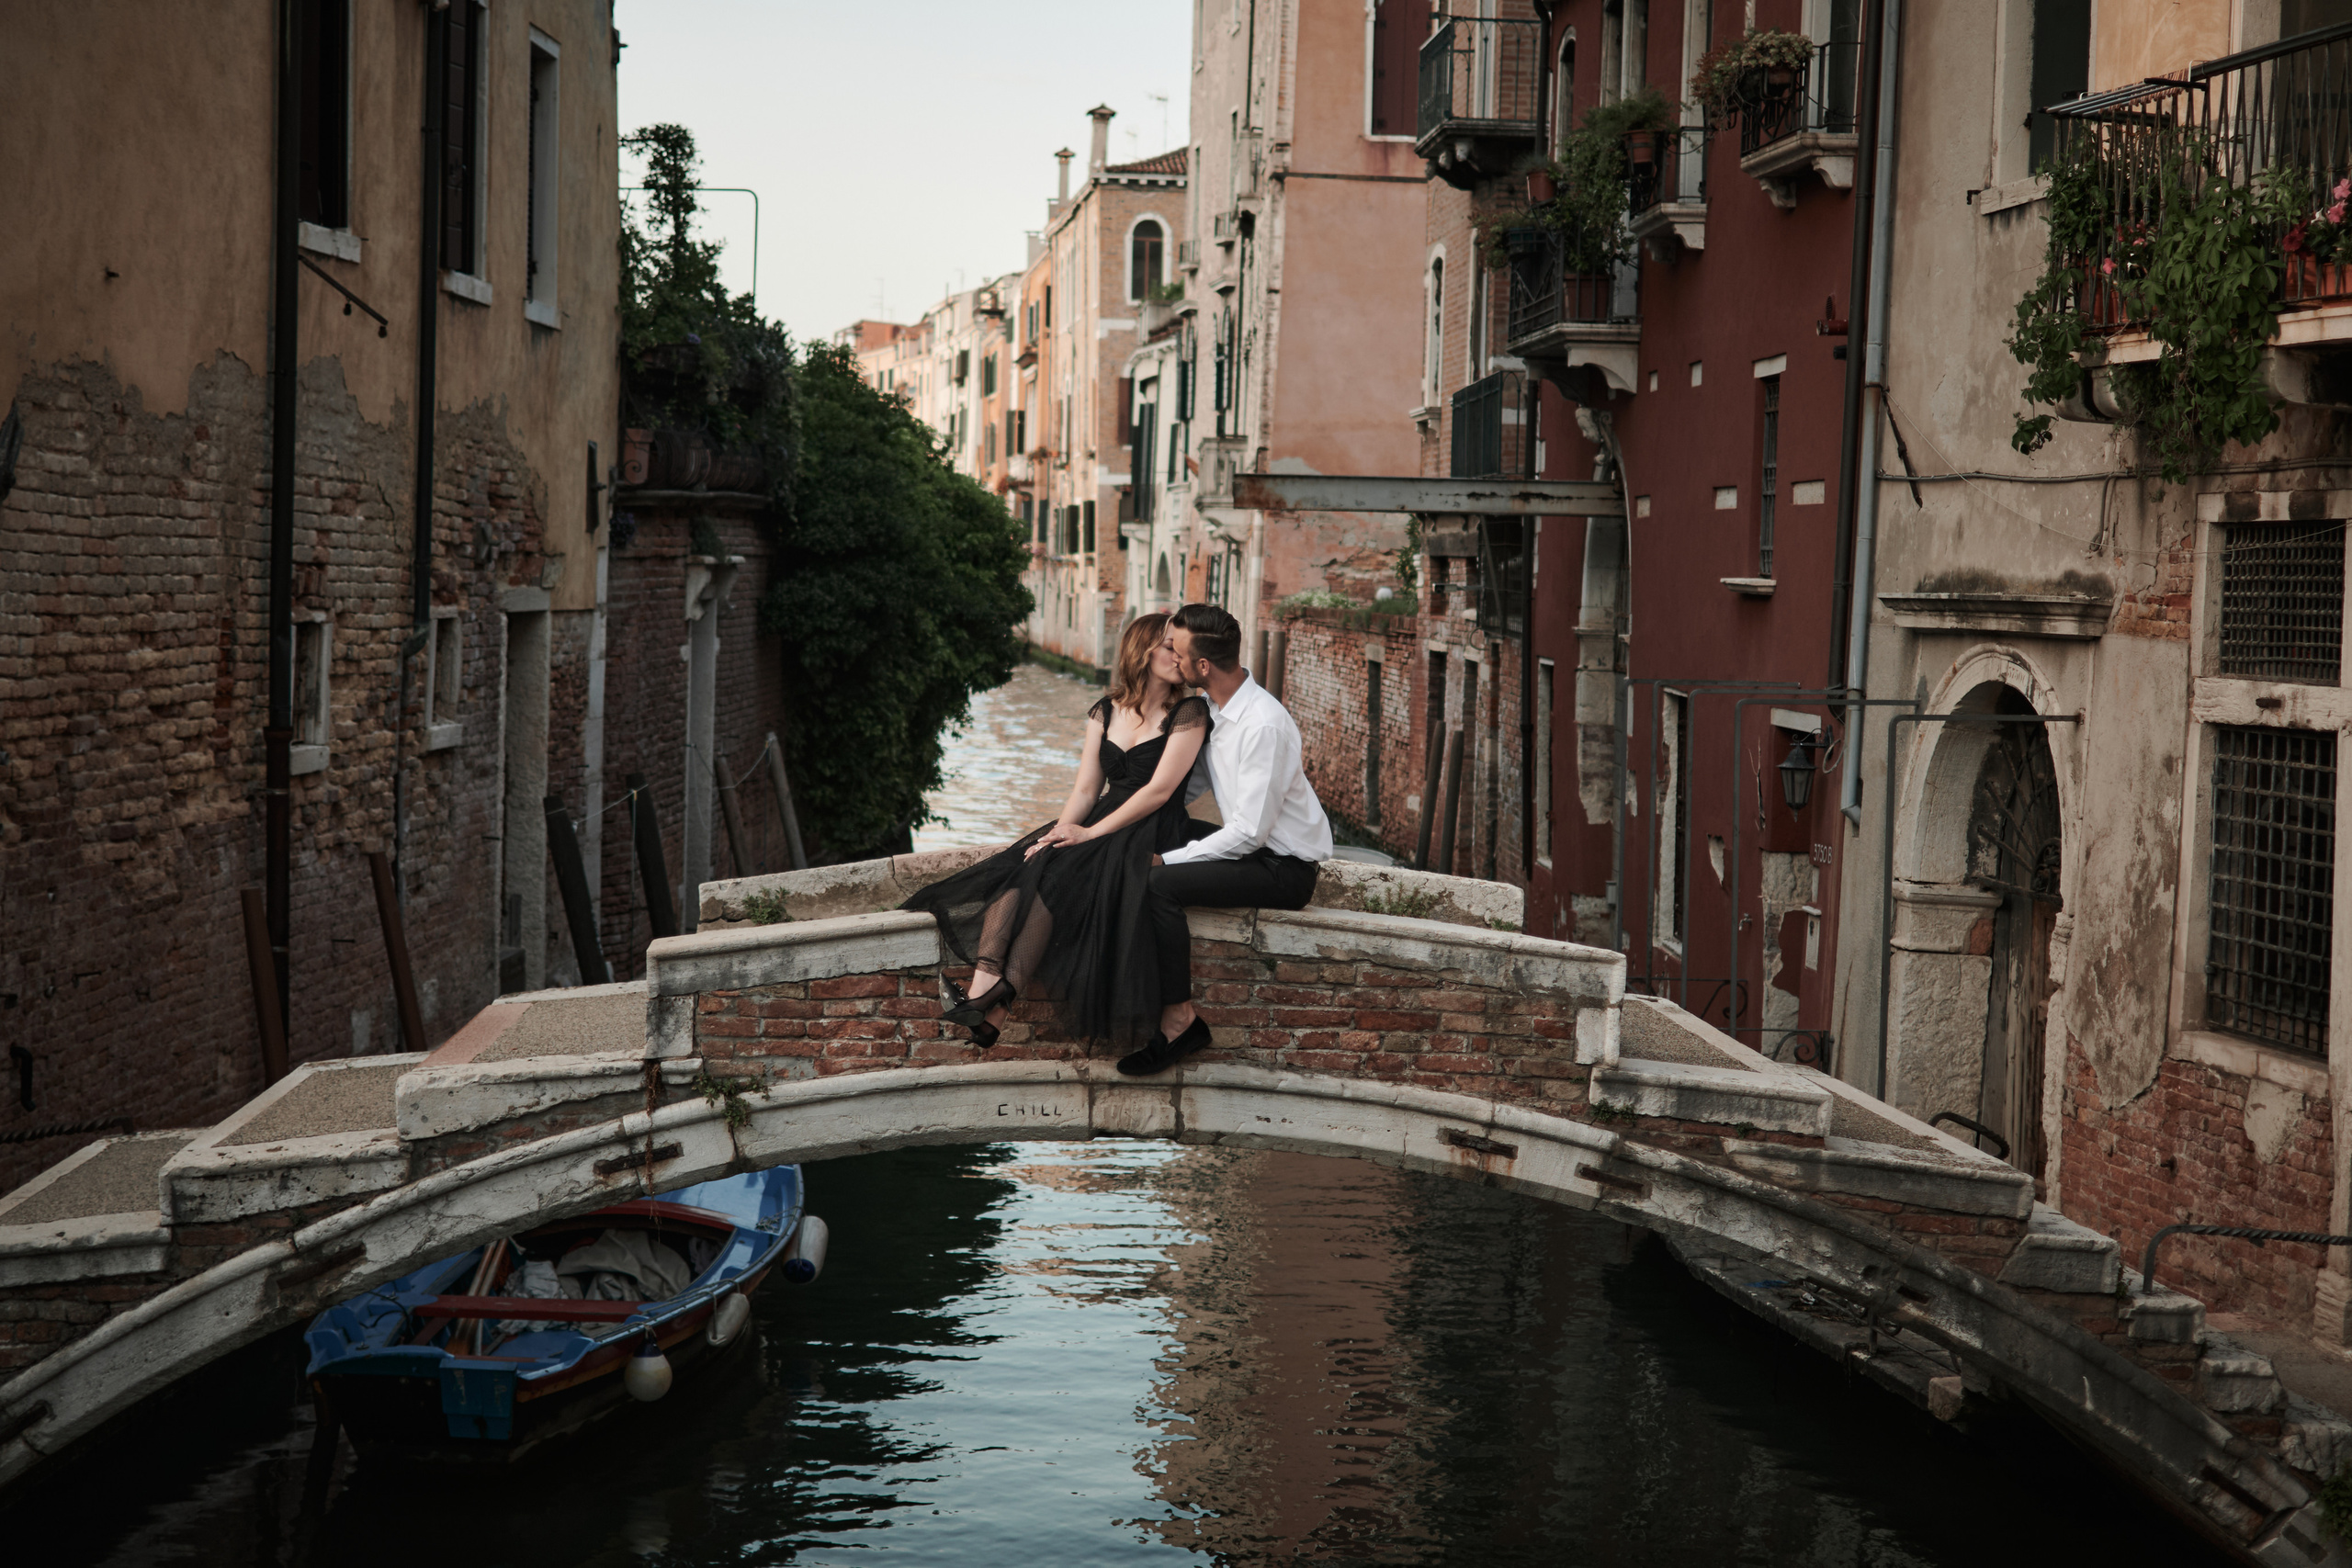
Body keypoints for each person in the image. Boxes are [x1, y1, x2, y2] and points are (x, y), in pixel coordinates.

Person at [902, 613, 1210, 1050]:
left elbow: (1160, 792)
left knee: (1059, 877)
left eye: (1180, 650)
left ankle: (990, 1004)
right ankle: (988, 993)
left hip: (1153, 828)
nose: (1178, 657)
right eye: (1168, 647)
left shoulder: (1189, 711)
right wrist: (1062, 830)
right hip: (1104, 818)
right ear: (1141, 651)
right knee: (1031, 860)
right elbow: (1086, 788)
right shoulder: (1105, 709)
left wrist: (1090, 834)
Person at [1116, 602, 1333, 1077]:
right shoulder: (1213, 709)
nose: (1169, 654)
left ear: (1202, 666)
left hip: (1282, 869)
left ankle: (1180, 1023)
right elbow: (1184, 790)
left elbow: (1249, 833)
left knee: (1159, 885)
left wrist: (1168, 861)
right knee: (1132, 854)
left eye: (1175, 648)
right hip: (1254, 849)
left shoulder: (1261, 725)